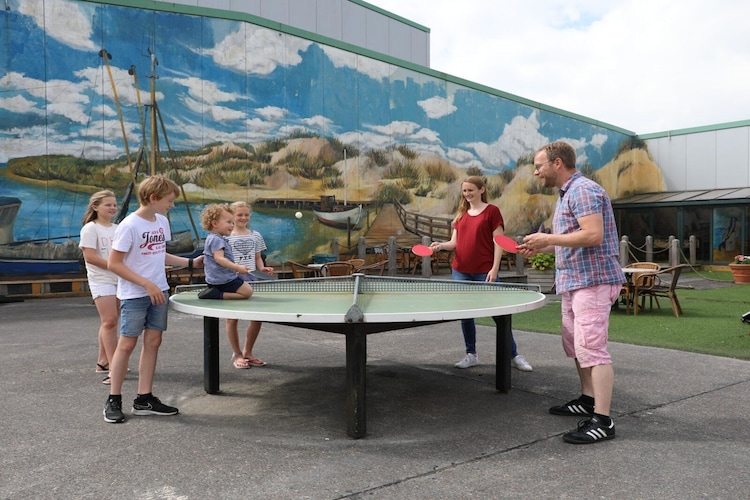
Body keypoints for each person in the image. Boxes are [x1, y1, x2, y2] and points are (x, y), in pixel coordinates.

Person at [518, 141, 625, 444]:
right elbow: (571, 239)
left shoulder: (583, 190)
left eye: (539, 165)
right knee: (578, 347)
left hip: (592, 282)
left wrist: (548, 237)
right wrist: (541, 246)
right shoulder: (567, 194)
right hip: (575, 282)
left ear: (557, 163)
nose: (536, 171)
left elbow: (593, 234)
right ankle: (587, 401)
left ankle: (603, 421)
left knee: (592, 349)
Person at [103, 175, 204, 424]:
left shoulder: (160, 221)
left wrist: (190, 262)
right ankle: (113, 399)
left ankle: (144, 398)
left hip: (159, 291)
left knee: (154, 341)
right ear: (153, 198)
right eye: (169, 200)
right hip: (136, 294)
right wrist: (146, 284)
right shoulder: (129, 226)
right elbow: (113, 263)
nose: (171, 205)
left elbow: (159, 253)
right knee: (126, 344)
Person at [429, 176, 533, 372]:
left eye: (471, 190)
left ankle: (514, 355)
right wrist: (440, 246)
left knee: (499, 314)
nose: (467, 194)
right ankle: (471, 354)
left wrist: (494, 269)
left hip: (484, 272)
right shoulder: (460, 214)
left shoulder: (492, 212)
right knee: (466, 314)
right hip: (460, 271)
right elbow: (455, 243)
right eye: (465, 191)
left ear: (482, 189)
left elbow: (499, 242)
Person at [225, 201, 274, 368]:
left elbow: (257, 257)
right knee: (232, 319)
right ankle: (237, 355)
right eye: (239, 214)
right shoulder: (225, 236)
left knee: (256, 318)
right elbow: (221, 259)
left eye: (246, 214)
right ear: (232, 216)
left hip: (253, 280)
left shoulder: (256, 235)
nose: (243, 217)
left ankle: (248, 352)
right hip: (234, 280)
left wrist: (263, 269)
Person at [79, 190, 119, 385]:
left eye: (114, 204)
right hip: (101, 279)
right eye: (107, 204)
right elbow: (90, 257)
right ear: (95, 207)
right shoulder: (90, 228)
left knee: (111, 322)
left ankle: (102, 361)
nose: (112, 208)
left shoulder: (118, 228)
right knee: (109, 321)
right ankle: (114, 367)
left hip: (120, 280)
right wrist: (115, 266)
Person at [198, 204, 254, 300]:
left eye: (232, 222)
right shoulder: (216, 239)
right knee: (247, 292)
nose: (232, 225)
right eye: (229, 222)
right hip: (223, 280)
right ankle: (216, 295)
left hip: (216, 279)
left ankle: (216, 293)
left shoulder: (214, 238)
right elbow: (219, 258)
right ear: (215, 224)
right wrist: (237, 267)